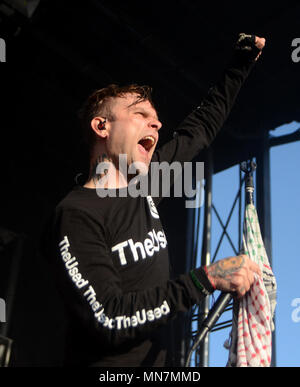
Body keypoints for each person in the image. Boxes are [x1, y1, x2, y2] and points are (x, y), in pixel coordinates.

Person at [48, 34, 265, 367]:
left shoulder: (146, 187)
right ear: (101, 126)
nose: (157, 122)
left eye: (156, 118)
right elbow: (108, 318)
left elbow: (200, 129)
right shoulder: (76, 214)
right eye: (139, 114)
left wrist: (240, 65)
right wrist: (204, 279)